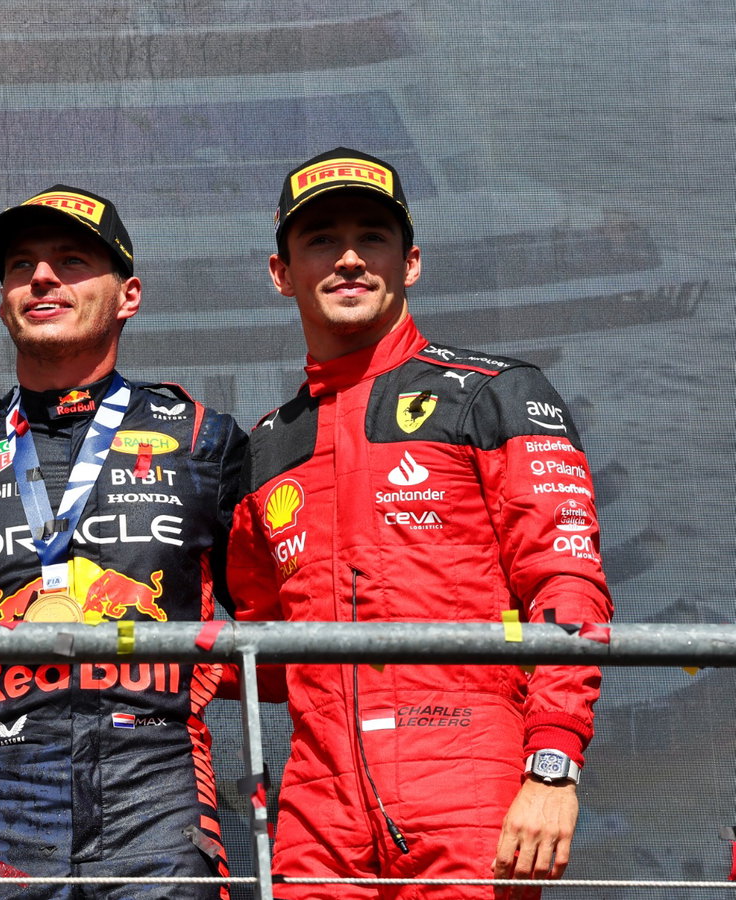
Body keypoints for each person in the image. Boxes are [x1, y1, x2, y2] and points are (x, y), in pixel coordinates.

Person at [226, 147, 613, 900]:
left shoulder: (496, 394)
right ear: (281, 273)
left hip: (469, 786)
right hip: (318, 811)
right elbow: (260, 648)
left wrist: (553, 767)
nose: (348, 260)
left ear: (411, 263)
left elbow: (569, 588)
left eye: (372, 237)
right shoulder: (266, 446)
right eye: (319, 241)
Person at [0, 186, 248, 898]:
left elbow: (259, 608)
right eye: (21, 265)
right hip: (0, 799)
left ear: (129, 295)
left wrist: (158, 703)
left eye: (71, 261)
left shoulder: (204, 439)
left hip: (157, 792)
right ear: (4, 298)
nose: (41, 278)